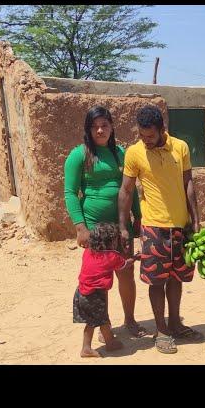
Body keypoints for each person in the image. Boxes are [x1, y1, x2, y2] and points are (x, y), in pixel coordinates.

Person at [118, 104, 203, 354]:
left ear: (162, 129)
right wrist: (124, 225)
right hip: (154, 226)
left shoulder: (180, 147)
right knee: (156, 281)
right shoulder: (134, 153)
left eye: (150, 136)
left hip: (180, 225)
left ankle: (176, 323)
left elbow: (188, 183)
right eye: (142, 136)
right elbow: (126, 190)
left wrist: (195, 219)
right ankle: (162, 329)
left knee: (177, 277)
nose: (146, 141)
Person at [64, 106, 147, 339]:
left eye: (104, 125)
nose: (100, 130)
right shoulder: (78, 155)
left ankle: (130, 320)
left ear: (111, 127)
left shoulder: (121, 153)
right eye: (95, 126)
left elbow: (129, 189)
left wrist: (138, 217)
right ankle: (104, 326)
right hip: (95, 228)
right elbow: (70, 193)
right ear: (88, 130)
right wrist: (80, 228)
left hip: (121, 225)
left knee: (126, 273)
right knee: (100, 279)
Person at [73, 222, 139, 358]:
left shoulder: (88, 251)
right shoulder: (111, 256)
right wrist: (135, 258)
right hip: (95, 295)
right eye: (115, 240)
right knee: (98, 322)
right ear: (110, 242)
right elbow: (124, 265)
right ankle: (92, 347)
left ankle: (106, 343)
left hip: (81, 292)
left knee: (97, 321)